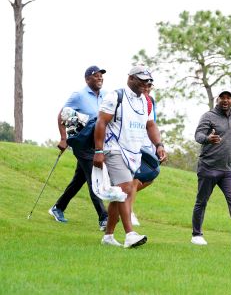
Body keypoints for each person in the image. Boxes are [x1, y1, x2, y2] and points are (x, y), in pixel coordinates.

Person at [93, 65, 167, 248]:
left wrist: (159, 145)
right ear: (131, 78)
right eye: (142, 80)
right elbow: (101, 122)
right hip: (114, 149)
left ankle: (108, 237)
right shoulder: (115, 97)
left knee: (118, 195)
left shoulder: (146, 101)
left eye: (148, 81)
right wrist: (98, 151)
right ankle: (130, 234)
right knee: (126, 188)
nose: (146, 84)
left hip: (134, 152)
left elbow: (151, 125)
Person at [191, 89, 231, 247]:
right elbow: (198, 135)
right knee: (202, 201)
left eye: (229, 98)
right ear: (217, 100)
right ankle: (196, 234)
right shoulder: (208, 116)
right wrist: (208, 138)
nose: (225, 100)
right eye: (222, 98)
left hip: (227, 170)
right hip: (208, 167)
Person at [49, 65, 108, 231]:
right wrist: (63, 138)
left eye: (101, 76)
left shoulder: (106, 96)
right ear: (87, 79)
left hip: (97, 144)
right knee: (94, 179)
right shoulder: (79, 96)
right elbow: (62, 115)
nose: (99, 78)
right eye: (95, 76)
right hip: (82, 143)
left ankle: (58, 207)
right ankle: (104, 217)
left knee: (79, 180)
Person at [130, 84, 158, 226]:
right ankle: (129, 211)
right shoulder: (130, 99)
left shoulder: (150, 101)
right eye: (145, 85)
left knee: (150, 176)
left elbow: (151, 124)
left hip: (147, 145)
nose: (147, 88)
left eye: (150, 85)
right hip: (133, 144)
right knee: (135, 179)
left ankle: (123, 197)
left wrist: (158, 146)